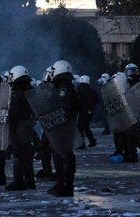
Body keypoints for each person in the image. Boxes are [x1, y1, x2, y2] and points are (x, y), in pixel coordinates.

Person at [48, 60, 79, 197]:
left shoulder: (64, 88)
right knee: (59, 154)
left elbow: (63, 107)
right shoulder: (65, 86)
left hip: (64, 127)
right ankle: (61, 183)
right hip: (62, 126)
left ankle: (66, 186)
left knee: (64, 155)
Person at [5, 65, 36, 191]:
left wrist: (6, 112)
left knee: (18, 154)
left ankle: (18, 181)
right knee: (27, 154)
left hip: (18, 125)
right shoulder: (29, 90)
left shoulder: (17, 93)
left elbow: (14, 111)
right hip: (27, 124)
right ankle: (29, 180)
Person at [75, 75, 98, 149]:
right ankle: (92, 141)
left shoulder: (79, 89)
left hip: (83, 112)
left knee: (80, 128)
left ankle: (82, 144)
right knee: (85, 127)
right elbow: (97, 100)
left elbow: (77, 101)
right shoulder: (92, 90)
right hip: (90, 112)